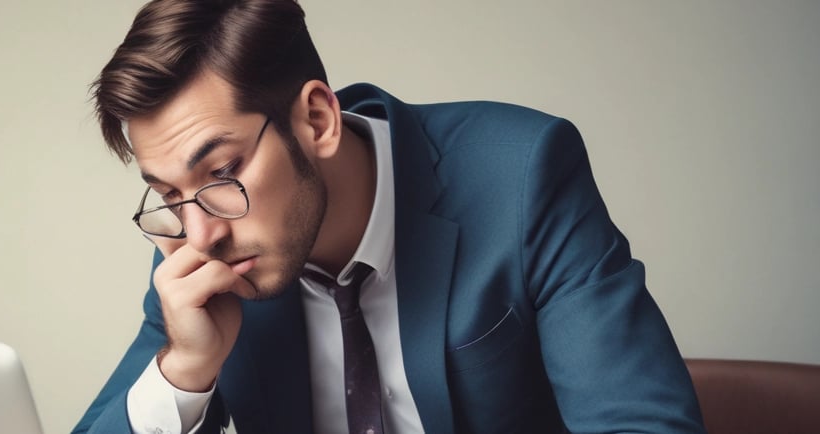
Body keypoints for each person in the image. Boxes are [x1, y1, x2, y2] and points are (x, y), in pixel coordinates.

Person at [73, 0, 706, 433]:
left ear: (317, 120)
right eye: (169, 193)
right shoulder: (202, 249)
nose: (199, 232)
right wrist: (185, 370)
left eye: (221, 172)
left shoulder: (521, 175)